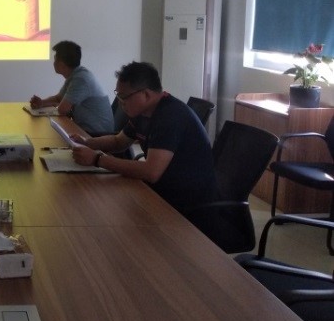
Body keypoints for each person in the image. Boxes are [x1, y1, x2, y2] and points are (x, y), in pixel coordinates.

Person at [71, 61, 218, 219]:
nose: (120, 103)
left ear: (146, 94)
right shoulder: (142, 112)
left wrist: (97, 159)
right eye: (118, 96)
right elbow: (118, 142)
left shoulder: (170, 116)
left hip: (187, 204)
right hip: (163, 191)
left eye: (124, 97)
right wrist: (87, 143)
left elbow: (151, 172)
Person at [29, 40, 114, 135]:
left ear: (62, 64)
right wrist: (42, 103)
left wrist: (56, 105)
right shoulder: (76, 74)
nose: (53, 63)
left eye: (55, 59)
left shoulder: (81, 79)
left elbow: (62, 109)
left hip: (96, 135)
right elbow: (59, 99)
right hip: (85, 130)